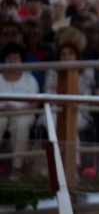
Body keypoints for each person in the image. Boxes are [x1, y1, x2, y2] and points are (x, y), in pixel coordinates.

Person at [0, 42, 39, 180]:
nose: (12, 61)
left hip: (23, 113)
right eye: (9, 58)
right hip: (1, 112)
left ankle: (16, 169)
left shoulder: (30, 79)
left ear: (22, 60)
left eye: (16, 58)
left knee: (21, 125)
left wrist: (18, 109)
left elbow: (35, 103)